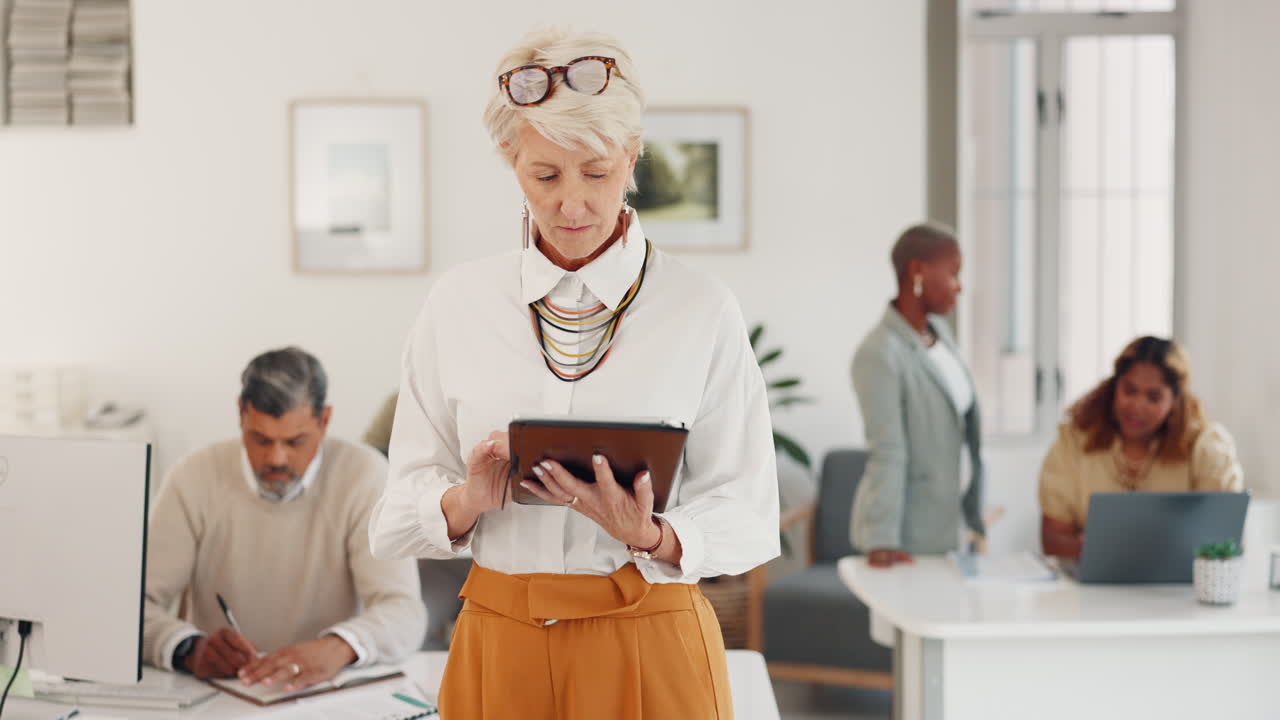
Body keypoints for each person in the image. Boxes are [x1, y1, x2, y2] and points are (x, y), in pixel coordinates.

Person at [369, 28, 778, 720]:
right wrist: (466, 501)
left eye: (597, 173)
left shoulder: (701, 307)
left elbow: (748, 508)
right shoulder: (458, 303)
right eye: (545, 175)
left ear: (632, 156)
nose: (573, 204)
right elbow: (394, 513)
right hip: (501, 644)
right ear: (510, 158)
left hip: (652, 641)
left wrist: (652, 534)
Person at [143, 347, 426, 690]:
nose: (276, 458)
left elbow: (404, 613)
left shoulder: (365, 476)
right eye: (260, 439)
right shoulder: (192, 476)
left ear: (324, 421)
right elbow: (135, 607)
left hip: (326, 695)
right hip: (221, 693)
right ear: (240, 415)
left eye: (295, 441)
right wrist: (187, 647)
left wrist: (338, 647)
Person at [850, 223, 985, 568]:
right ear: (918, 271)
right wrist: (882, 537)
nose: (960, 286)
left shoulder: (939, 333)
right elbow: (887, 451)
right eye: (954, 273)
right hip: (910, 534)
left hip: (953, 524)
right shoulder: (879, 353)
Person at [1040, 336, 1244, 559]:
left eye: (1154, 397)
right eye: (1129, 390)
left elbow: (1225, 539)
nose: (1137, 406)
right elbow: (1052, 538)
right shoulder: (1074, 442)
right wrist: (1093, 551)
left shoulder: (1206, 446)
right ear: (1114, 387)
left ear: (1175, 401)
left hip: (1180, 589)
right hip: (1090, 587)